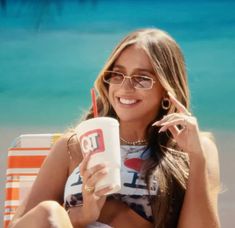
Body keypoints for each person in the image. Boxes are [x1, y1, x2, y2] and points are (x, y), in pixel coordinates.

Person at [9, 28, 220, 228]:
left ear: (167, 91)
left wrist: (197, 157)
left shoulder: (194, 149)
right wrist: (84, 215)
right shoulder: (72, 146)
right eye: (117, 75)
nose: (125, 87)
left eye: (142, 78)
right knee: (48, 211)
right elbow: (23, 223)